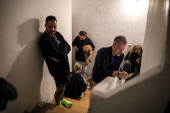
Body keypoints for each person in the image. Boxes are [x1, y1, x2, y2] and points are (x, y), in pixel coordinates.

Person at [39, 15, 72, 108]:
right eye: (50, 26)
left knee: (64, 85)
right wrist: (64, 48)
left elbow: (68, 47)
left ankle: (62, 100)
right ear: (45, 25)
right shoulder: (44, 40)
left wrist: (63, 50)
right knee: (60, 88)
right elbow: (61, 54)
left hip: (65, 66)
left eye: (55, 27)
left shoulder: (57, 34)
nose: (53, 29)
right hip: (57, 70)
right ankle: (58, 105)